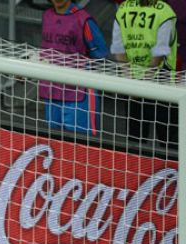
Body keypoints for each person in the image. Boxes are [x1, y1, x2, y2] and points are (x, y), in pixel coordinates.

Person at [111, 0, 178, 148]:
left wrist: (132, 83)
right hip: (160, 84)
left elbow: (118, 50)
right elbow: (159, 55)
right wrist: (138, 85)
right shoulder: (165, 11)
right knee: (168, 142)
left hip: (138, 85)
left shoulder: (123, 9)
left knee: (137, 140)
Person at [39, 0, 110, 136]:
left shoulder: (83, 20)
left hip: (79, 93)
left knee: (79, 144)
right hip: (52, 90)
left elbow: (100, 54)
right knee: (54, 140)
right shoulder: (47, 16)